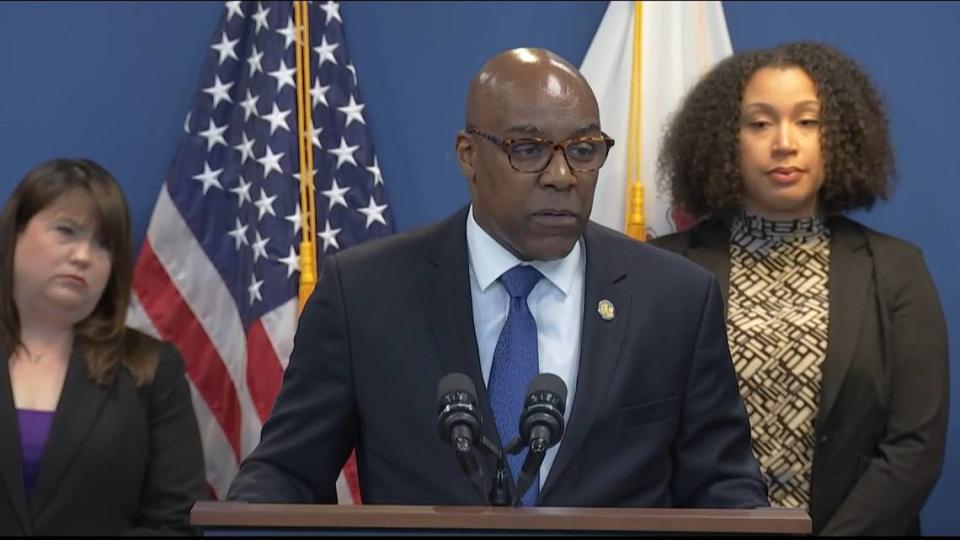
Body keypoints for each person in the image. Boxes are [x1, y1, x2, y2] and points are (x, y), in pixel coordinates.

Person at [228, 48, 767, 509]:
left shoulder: (674, 299)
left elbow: (725, 489)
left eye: (583, 151)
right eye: (527, 150)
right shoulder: (365, 294)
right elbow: (287, 474)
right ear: (468, 155)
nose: (561, 177)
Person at [651, 42, 949, 535]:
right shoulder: (667, 266)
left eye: (807, 121)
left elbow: (915, 445)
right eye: (760, 123)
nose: (785, 142)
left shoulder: (897, 270)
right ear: (725, 141)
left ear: (839, 137)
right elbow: (645, 436)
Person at [0, 158, 206, 535]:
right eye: (66, 231)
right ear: (15, 234)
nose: (83, 256)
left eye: (103, 244)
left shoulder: (152, 369)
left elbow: (175, 522)